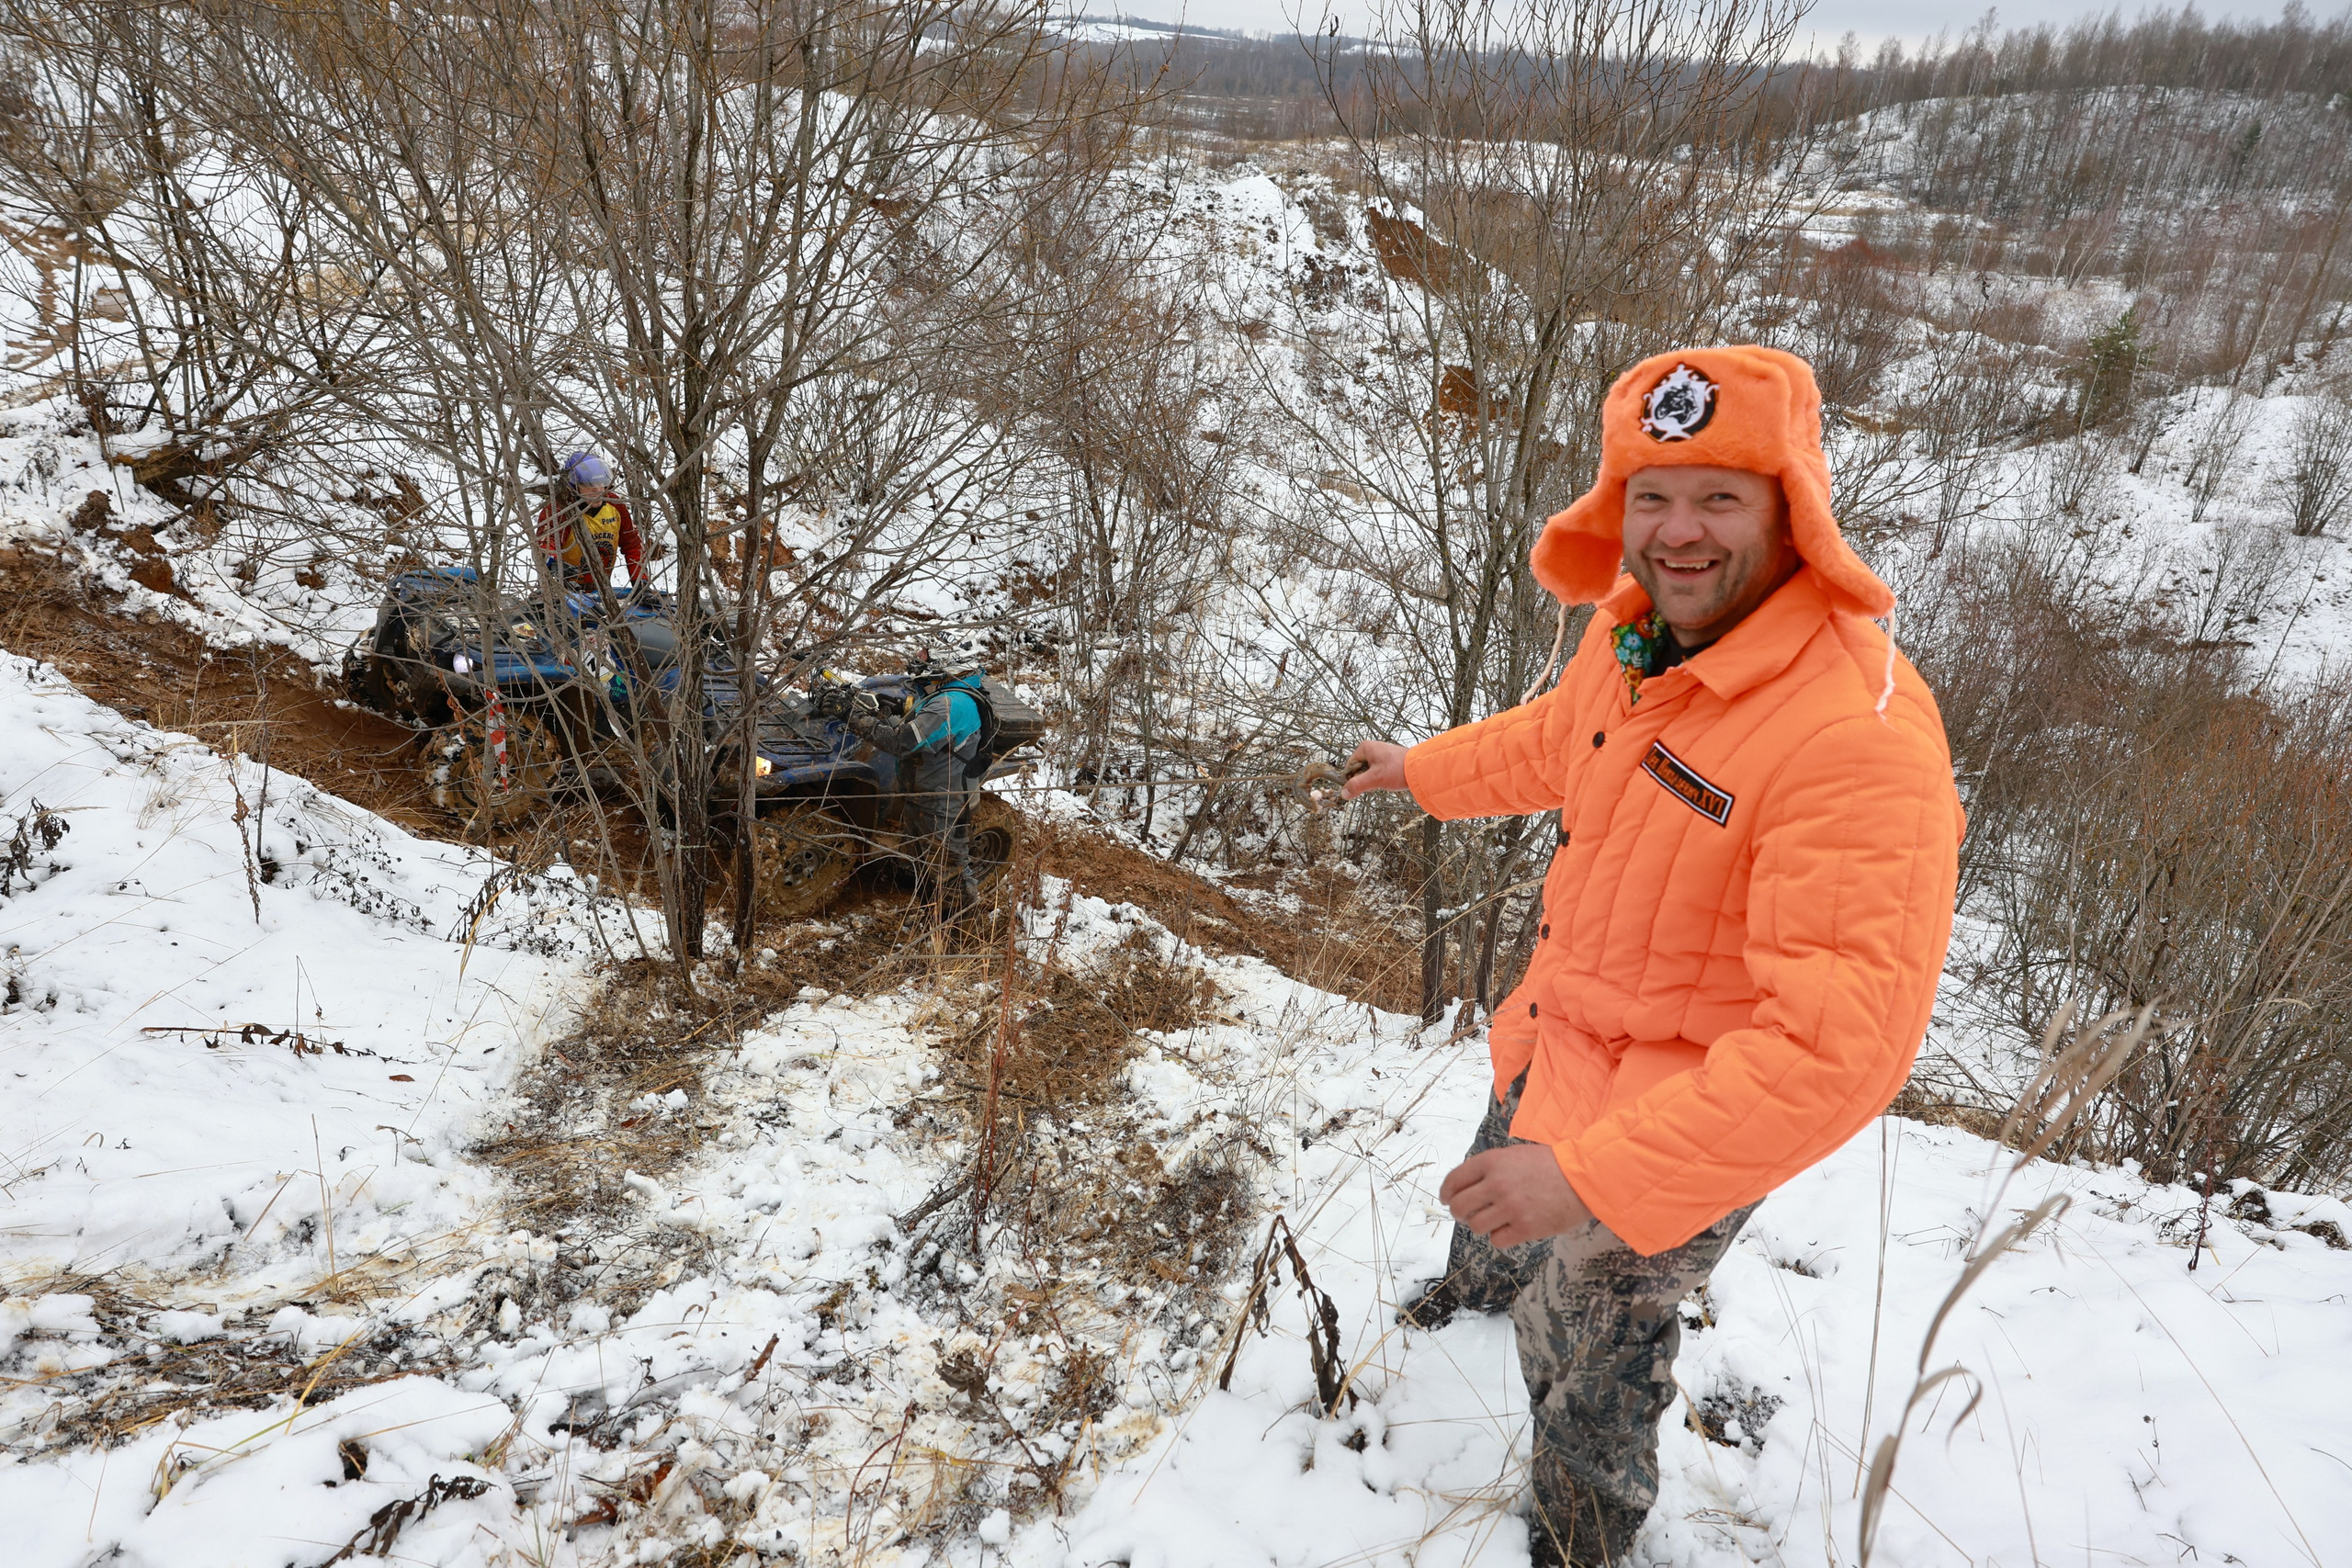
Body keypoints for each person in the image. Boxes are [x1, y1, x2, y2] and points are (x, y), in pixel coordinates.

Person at [1344, 346, 1964, 1567]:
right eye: (1652, 495)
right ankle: (1475, 1290)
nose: (1678, 533)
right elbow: (1555, 742)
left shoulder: (1856, 738)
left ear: (1795, 508)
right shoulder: (1635, 636)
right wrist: (1418, 769)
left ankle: (1580, 1532)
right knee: (1496, 1182)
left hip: (1675, 1125)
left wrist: (1591, 1179)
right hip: (1562, 1023)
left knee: (1588, 1344)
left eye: (1721, 497)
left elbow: (1832, 1052)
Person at [817, 645, 992, 922]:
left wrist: (851, 716)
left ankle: (961, 937)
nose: (918, 664)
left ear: (947, 665)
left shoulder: (950, 704)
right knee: (923, 865)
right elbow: (925, 718)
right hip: (926, 796)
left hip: (942, 801)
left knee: (949, 870)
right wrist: (894, 705)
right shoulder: (947, 695)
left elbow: (901, 741)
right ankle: (932, 923)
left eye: (925, 660)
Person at [535, 451, 644, 594]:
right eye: (589, 484)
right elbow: (546, 546)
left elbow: (633, 545)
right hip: (562, 592)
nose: (597, 490)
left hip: (600, 593)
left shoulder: (615, 505)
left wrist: (641, 581)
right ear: (574, 486)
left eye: (600, 484)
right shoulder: (559, 510)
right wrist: (557, 566)